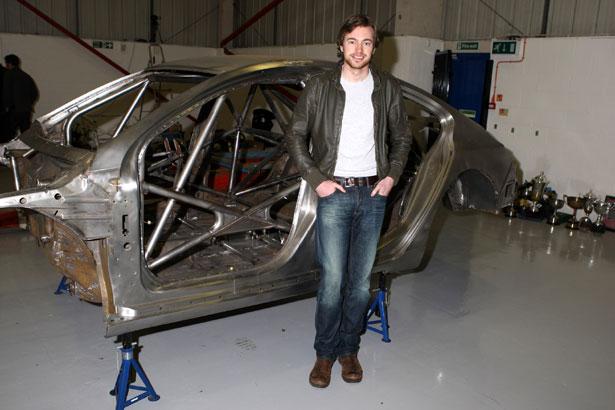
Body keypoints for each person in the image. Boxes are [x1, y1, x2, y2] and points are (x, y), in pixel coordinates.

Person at [286, 14, 411, 388]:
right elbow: (295, 135)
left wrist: (391, 178)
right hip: (335, 192)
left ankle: (347, 348)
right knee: (332, 281)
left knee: (359, 285)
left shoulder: (387, 87)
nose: (359, 49)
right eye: (352, 42)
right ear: (340, 46)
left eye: (367, 42)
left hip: (373, 194)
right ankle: (324, 354)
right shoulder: (320, 86)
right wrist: (318, 180)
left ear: (375, 47)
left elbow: (403, 137)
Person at [2, 54, 38, 142]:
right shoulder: (26, 76)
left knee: (8, 132)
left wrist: (7, 105)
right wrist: (28, 104)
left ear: (9, 64)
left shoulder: (9, 74)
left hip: (14, 109)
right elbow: (34, 93)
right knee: (25, 133)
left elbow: (6, 91)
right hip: (26, 110)